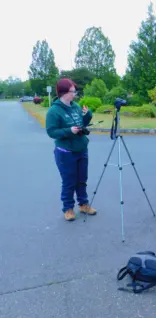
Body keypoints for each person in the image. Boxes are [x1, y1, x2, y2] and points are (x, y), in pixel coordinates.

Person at [46, 78, 97, 221]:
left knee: (82, 179)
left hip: (81, 149)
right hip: (65, 152)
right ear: (63, 93)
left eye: (75, 91)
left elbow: (81, 124)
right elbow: (51, 132)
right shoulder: (54, 111)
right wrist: (69, 131)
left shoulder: (75, 106)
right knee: (69, 181)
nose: (75, 94)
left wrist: (88, 116)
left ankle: (83, 204)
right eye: (72, 91)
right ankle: (68, 208)